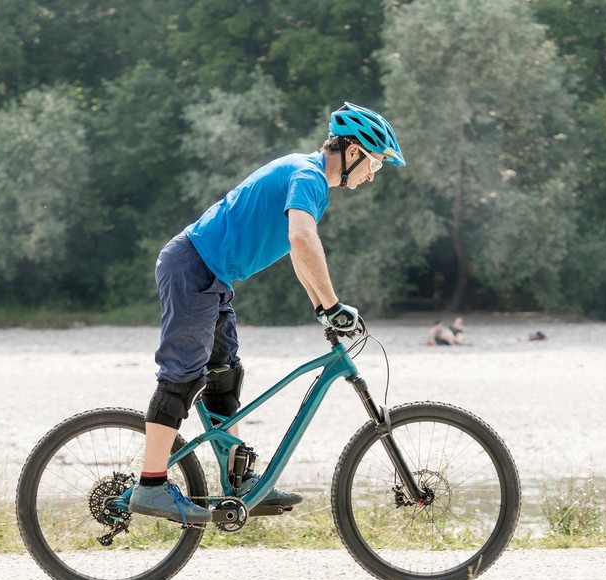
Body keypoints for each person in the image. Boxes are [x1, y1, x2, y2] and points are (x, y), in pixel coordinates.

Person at [129, 102, 405, 525]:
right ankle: (151, 486)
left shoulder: (310, 181)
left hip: (211, 274)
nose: (374, 174)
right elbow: (301, 237)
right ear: (353, 153)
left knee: (224, 377)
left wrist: (322, 308)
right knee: (182, 376)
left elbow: (299, 252)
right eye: (375, 164)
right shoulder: (308, 176)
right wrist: (332, 305)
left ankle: (238, 483)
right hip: (192, 266)